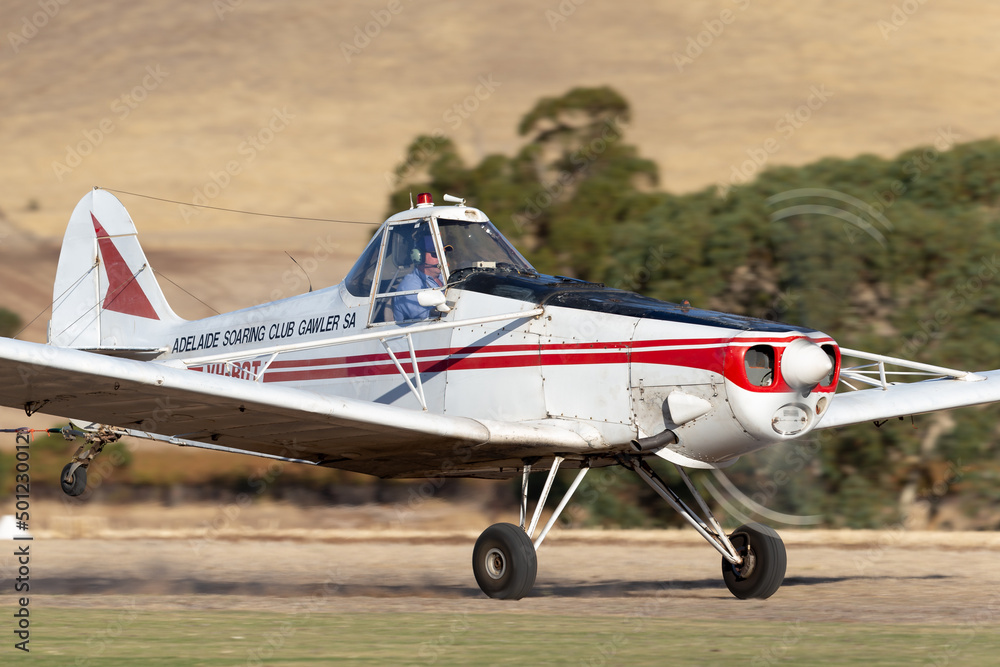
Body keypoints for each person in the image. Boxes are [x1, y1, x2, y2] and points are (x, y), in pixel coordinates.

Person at [392, 236, 444, 321]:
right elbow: (427, 318)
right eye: (435, 254)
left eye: (443, 254)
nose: (441, 258)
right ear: (419, 256)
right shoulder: (409, 287)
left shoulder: (444, 277)